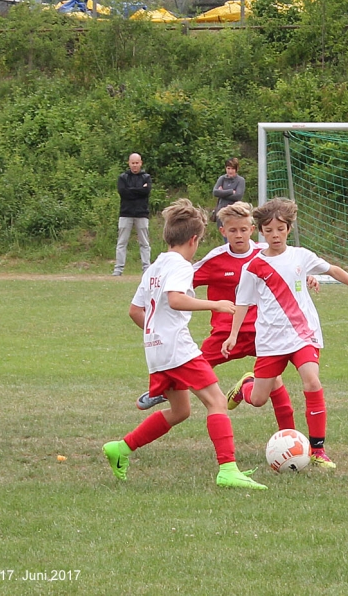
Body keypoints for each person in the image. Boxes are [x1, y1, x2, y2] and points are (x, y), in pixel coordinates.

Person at [102, 198, 267, 491]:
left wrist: (155, 333)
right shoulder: (180, 265)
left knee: (180, 411)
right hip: (177, 349)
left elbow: (135, 311)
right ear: (193, 240)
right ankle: (228, 470)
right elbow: (176, 299)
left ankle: (121, 448)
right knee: (217, 402)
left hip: (156, 351)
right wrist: (215, 304)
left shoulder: (155, 267)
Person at [137, 202, 318, 442]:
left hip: (262, 332)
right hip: (226, 334)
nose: (239, 235)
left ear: (252, 229)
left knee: (274, 379)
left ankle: (288, 437)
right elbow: (179, 282)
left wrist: (308, 276)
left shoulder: (265, 252)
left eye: (243, 229)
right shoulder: (215, 259)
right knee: (191, 366)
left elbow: (291, 264)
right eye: (233, 230)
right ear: (223, 232)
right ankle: (165, 389)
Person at [223, 197, 348, 469]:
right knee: (258, 399)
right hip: (271, 340)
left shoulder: (300, 255)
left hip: (302, 334)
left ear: (289, 229)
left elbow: (333, 270)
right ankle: (246, 386)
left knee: (312, 382)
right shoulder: (253, 267)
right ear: (261, 231)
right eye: (269, 230)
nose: (275, 235)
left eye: (280, 229)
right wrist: (233, 335)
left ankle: (318, 449)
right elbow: (243, 303)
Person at [113, 153, 151, 276]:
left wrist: (131, 190)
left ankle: (147, 269)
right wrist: (139, 190)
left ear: (141, 163)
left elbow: (146, 192)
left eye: (137, 163)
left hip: (142, 213)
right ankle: (118, 269)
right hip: (125, 213)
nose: (135, 165)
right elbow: (123, 192)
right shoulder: (123, 177)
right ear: (129, 163)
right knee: (122, 242)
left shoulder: (146, 177)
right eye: (132, 163)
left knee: (144, 243)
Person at [210, 157, 245, 227]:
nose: (230, 171)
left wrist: (222, 192)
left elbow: (238, 196)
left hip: (234, 213)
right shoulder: (222, 178)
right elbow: (215, 192)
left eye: (233, 169)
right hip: (221, 212)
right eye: (228, 168)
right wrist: (231, 191)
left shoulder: (240, 180)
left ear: (236, 169)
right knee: (222, 231)